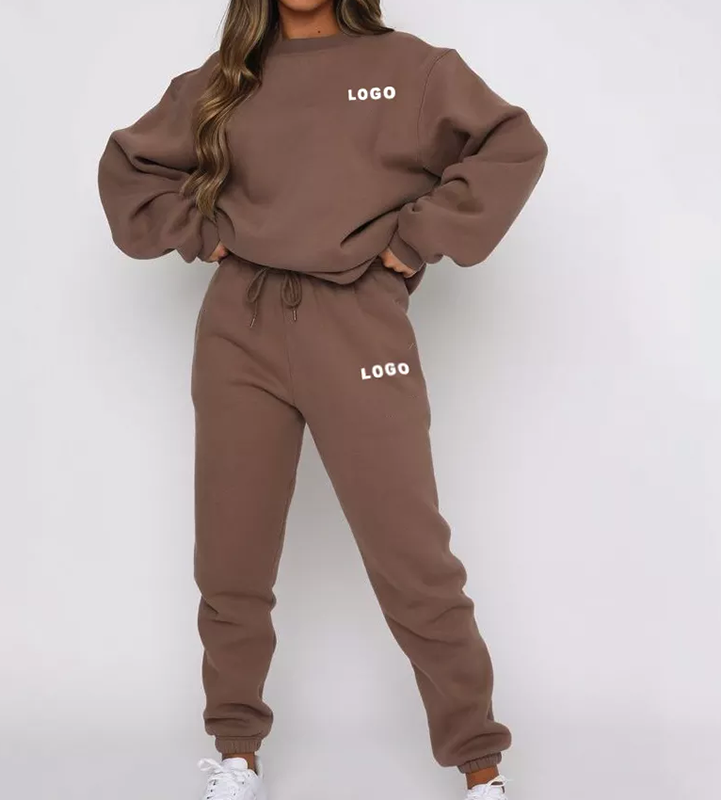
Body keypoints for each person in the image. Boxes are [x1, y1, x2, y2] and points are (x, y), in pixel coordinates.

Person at [98, 0, 547, 796]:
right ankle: (237, 754)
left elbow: (512, 143)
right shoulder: (226, 80)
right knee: (230, 559)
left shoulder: (411, 69)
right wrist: (203, 232)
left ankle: (480, 766)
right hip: (239, 328)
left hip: (359, 327)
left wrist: (419, 239)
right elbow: (129, 166)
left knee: (412, 559)